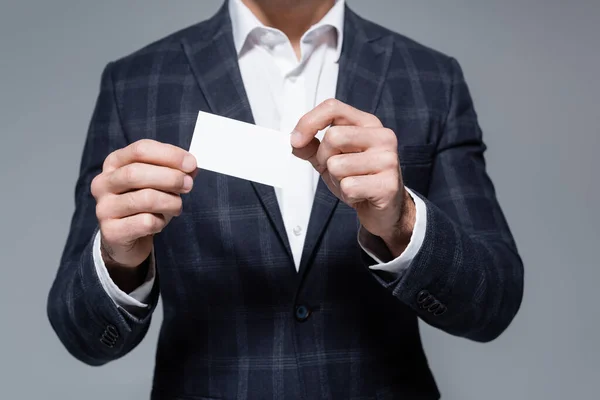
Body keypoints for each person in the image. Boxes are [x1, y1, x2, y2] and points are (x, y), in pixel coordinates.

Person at [47, 0, 524, 398]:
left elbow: (494, 305)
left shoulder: (430, 78)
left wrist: (401, 222)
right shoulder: (135, 83)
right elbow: (82, 335)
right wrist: (120, 259)